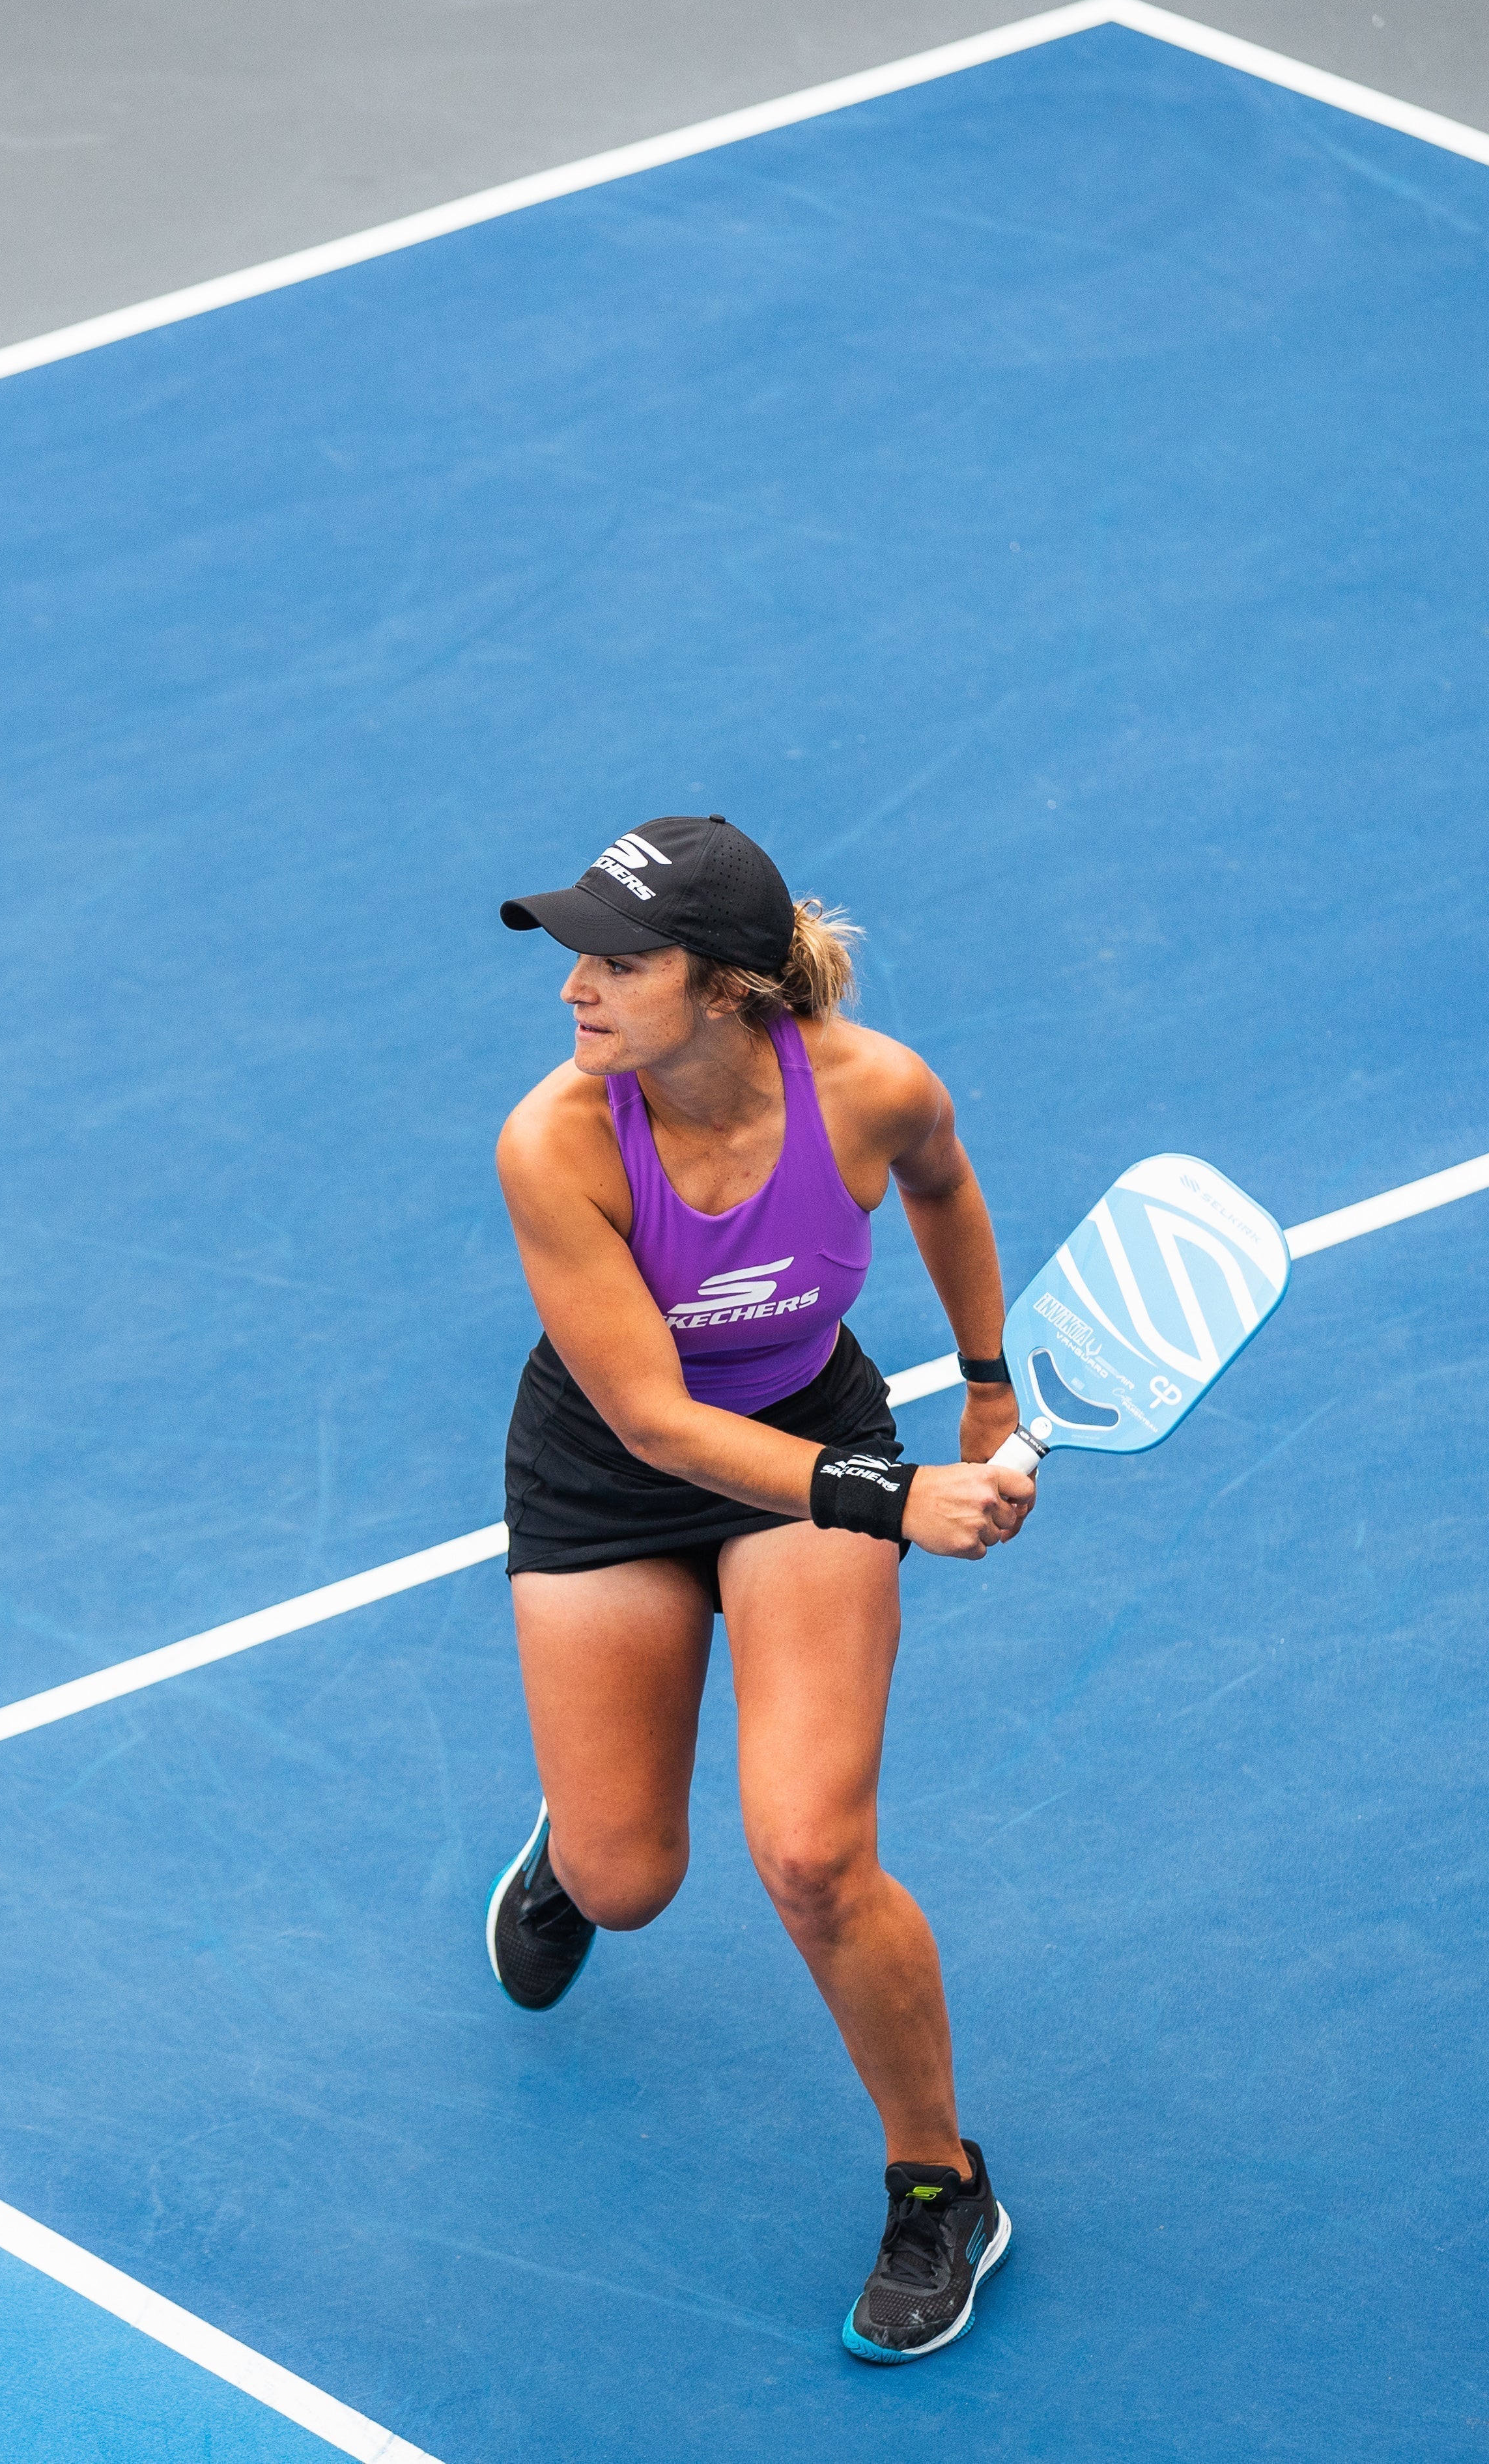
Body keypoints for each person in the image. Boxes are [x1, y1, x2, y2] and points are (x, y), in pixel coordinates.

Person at [485, 813, 1039, 2364]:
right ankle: (574, 1840)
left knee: (811, 1856)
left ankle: (944, 2186)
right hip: (610, 1470)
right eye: (574, 957)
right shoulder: (557, 1145)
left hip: (807, 1430)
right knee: (626, 1883)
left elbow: (941, 1185)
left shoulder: (869, 1091)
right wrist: (904, 1494)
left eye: (618, 961)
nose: (576, 991)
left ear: (727, 987)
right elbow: (659, 1423)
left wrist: (987, 1391)